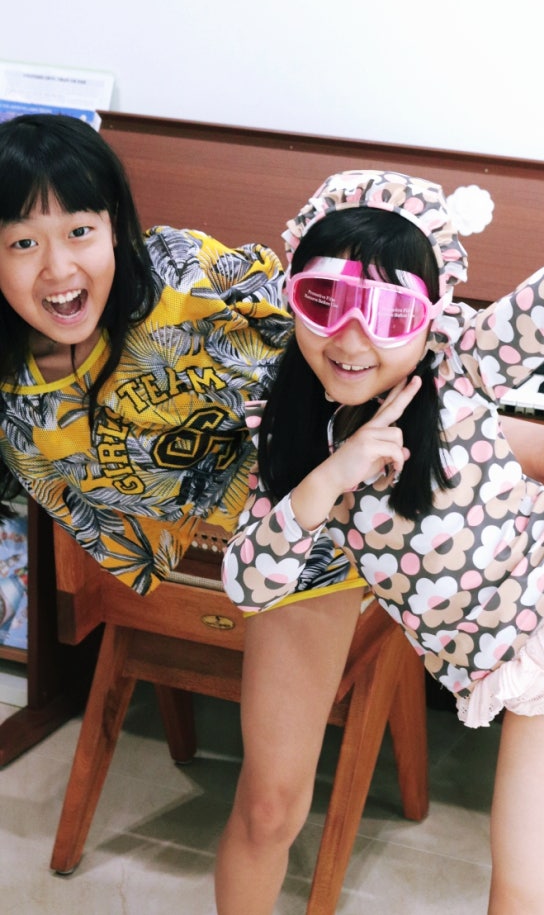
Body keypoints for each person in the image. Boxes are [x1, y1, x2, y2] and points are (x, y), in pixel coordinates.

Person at [222, 165, 544, 915]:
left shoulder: (460, 370)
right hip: (528, 681)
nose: (351, 338)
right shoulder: (292, 449)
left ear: (431, 317)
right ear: (291, 295)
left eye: (390, 314)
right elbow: (249, 585)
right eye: (324, 302)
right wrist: (330, 476)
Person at [0, 113, 367, 915]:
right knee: (270, 807)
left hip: (348, 482)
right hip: (254, 554)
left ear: (117, 227)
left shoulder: (179, 271)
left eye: (80, 230)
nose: (58, 266)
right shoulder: (17, 396)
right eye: (22, 241)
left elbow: (326, 324)